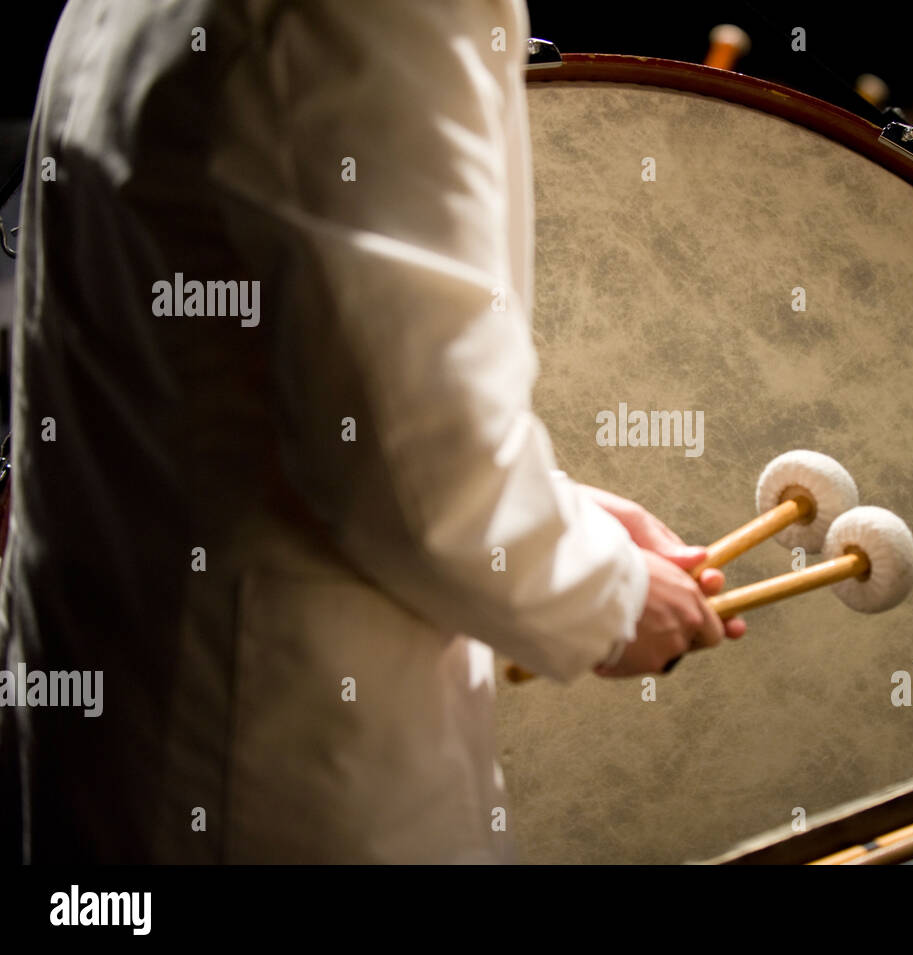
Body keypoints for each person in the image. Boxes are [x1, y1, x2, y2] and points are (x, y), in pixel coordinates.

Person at [0, 0, 742, 863]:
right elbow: (422, 461)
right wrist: (608, 594)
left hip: (111, 722)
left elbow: (251, 378)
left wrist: (559, 511)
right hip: (269, 772)